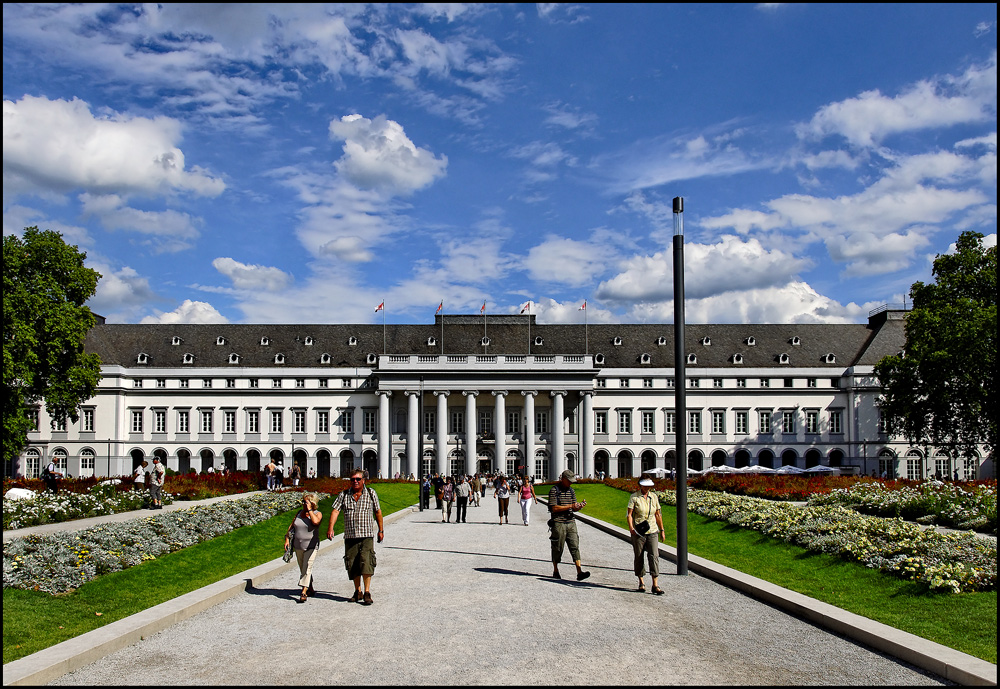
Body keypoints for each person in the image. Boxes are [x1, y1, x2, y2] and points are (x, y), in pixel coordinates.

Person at [327, 469, 384, 606]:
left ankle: (367, 592)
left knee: (367, 562)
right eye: (352, 479)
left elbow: (378, 512)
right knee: (352, 564)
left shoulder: (371, 493)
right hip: (351, 535)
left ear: (363, 480)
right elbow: (335, 511)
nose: (355, 482)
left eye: (358, 479)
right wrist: (330, 528)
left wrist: (381, 530)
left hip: (366, 535)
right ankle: (357, 590)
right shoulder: (344, 495)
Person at [548, 470, 590, 581]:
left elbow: (574, 507)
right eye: (569, 481)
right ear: (563, 479)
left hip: (571, 521)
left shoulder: (571, 491)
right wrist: (570, 506)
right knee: (557, 547)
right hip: (558, 522)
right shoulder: (554, 490)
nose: (571, 483)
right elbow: (554, 508)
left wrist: (578, 506)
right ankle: (555, 570)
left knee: (575, 546)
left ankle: (579, 572)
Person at [627, 477, 666, 595]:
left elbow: (658, 514)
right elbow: (629, 514)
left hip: (653, 530)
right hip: (639, 531)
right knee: (639, 556)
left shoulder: (654, 497)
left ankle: (655, 584)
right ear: (640, 485)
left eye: (649, 486)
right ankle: (641, 582)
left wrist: (662, 530)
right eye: (645, 485)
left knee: (654, 556)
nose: (647, 488)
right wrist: (631, 528)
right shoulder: (634, 497)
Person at [286, 493, 323, 602]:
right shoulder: (299, 513)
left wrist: (310, 510)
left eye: (305, 502)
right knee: (303, 568)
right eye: (303, 502)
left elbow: (315, 522)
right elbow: (292, 526)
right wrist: (287, 539)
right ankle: (310, 588)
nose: (303, 504)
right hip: (298, 546)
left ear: (312, 503)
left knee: (307, 567)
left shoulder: (317, 514)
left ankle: (303, 592)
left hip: (311, 546)